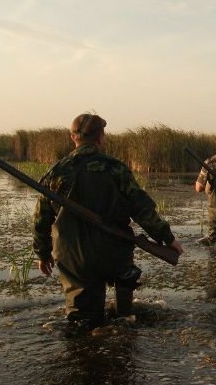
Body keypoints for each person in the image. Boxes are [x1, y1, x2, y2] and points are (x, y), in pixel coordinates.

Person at [33, 113, 183, 327]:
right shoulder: (116, 168)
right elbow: (142, 208)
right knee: (124, 312)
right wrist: (167, 239)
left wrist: (42, 253)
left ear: (72, 137)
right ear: (100, 137)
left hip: (73, 256)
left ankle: (85, 349)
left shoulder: (56, 171)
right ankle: (123, 324)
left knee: (81, 321)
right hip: (113, 251)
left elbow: (40, 218)